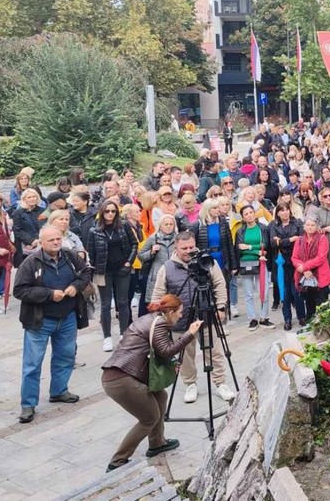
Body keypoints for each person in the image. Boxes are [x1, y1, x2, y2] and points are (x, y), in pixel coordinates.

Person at [101, 294, 201, 471]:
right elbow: (166, 351)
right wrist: (190, 334)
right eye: (179, 312)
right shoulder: (161, 323)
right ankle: (117, 462)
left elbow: (156, 351)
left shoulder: (152, 319)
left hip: (118, 374)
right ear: (170, 312)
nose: (180, 316)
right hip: (122, 379)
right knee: (149, 418)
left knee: (160, 395)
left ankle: (157, 443)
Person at [14, 226, 93, 423]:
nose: (56, 242)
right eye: (51, 240)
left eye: (58, 238)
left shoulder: (69, 255)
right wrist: (49, 294)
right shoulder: (31, 262)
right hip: (40, 321)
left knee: (65, 357)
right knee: (32, 364)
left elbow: (86, 273)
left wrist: (76, 287)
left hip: (67, 318)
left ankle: (59, 391)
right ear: (41, 242)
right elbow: (20, 290)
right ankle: (28, 404)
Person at [151, 231, 236, 403]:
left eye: (191, 247)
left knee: (215, 352)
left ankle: (220, 383)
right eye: (184, 248)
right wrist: (163, 318)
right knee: (185, 356)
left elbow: (220, 283)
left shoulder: (207, 261)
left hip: (207, 315)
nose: (189, 251)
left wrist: (221, 307)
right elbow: (157, 296)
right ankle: (190, 384)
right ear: (176, 247)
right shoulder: (167, 267)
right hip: (180, 320)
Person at [87, 201, 138, 352]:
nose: (110, 214)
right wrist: (95, 270)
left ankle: (124, 334)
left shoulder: (124, 226)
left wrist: (129, 262)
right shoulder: (94, 230)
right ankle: (107, 337)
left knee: (123, 302)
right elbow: (91, 252)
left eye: (113, 211)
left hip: (122, 269)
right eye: (107, 211)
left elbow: (134, 243)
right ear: (102, 212)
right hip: (104, 271)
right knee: (105, 304)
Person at [235, 205, 275, 330]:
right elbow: (240, 248)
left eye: (250, 212)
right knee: (248, 294)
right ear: (243, 217)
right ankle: (252, 318)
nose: (249, 215)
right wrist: (254, 250)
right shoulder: (240, 231)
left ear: (254, 213)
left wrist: (249, 247)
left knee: (264, 292)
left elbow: (265, 246)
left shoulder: (262, 228)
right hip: (245, 264)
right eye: (246, 214)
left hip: (261, 263)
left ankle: (264, 317)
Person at [269, 203, 306, 330]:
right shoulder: (274, 225)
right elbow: (273, 243)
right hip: (281, 262)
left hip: (295, 260)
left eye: (287, 210)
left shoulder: (297, 223)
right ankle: (287, 319)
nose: (285, 213)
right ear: (278, 213)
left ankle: (301, 316)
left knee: (297, 291)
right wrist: (290, 240)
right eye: (282, 211)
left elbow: (301, 239)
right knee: (284, 292)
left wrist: (281, 241)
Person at [291, 216, 330, 320]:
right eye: (307, 225)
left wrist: (304, 266)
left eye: (313, 225)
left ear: (317, 227)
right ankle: (310, 327)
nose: (310, 227)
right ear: (304, 226)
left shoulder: (322, 238)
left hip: (320, 278)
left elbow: (321, 258)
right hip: (305, 278)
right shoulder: (299, 240)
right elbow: (294, 258)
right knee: (309, 305)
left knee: (322, 308)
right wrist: (304, 270)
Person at [12, 189, 46, 267]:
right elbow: (17, 229)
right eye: (29, 197)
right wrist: (31, 240)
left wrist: (38, 240)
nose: (32, 199)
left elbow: (45, 227)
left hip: (40, 243)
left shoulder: (43, 211)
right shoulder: (18, 212)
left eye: (34, 196)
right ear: (24, 199)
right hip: (24, 246)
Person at [0, 197, 13, 313]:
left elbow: (7, 233)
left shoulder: (3, 214)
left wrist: (10, 245)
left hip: (5, 251)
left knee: (4, 274)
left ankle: (3, 295)